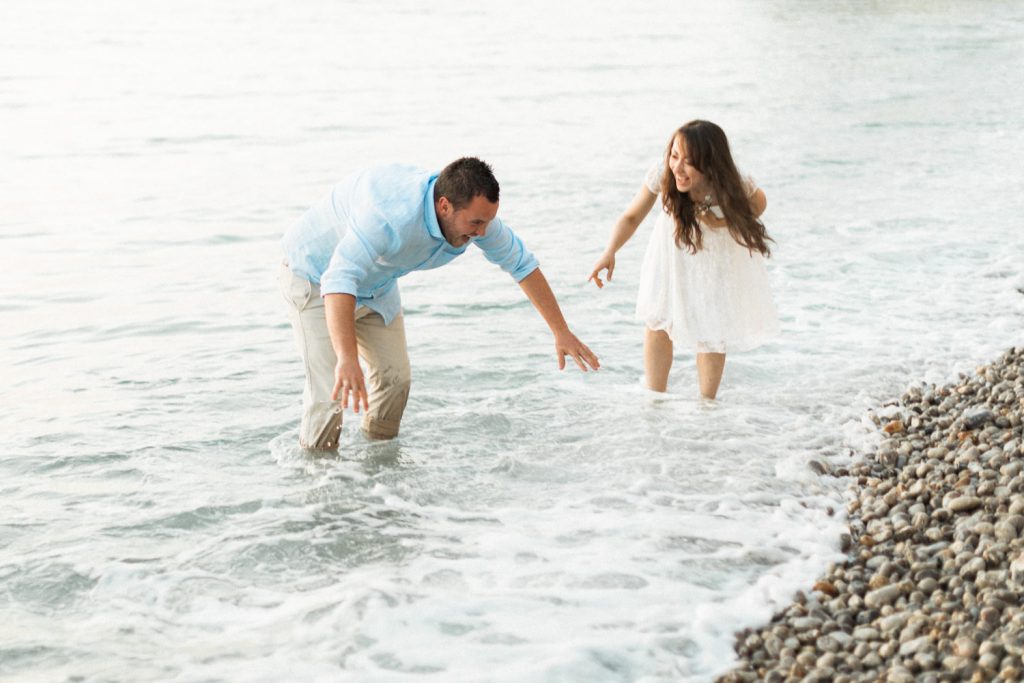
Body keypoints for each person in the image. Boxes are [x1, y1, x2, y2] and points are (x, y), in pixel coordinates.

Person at [280, 157, 599, 449]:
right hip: (315, 277)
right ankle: (321, 489)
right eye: (476, 224)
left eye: (487, 223)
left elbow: (522, 264)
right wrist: (347, 357)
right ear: (444, 206)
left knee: (395, 380)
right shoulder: (389, 216)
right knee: (328, 396)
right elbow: (339, 280)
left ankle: (375, 469)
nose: (482, 233)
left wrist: (561, 332)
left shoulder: (476, 219)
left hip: (377, 284)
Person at [588, 120, 778, 399]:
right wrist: (610, 250)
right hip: (670, 256)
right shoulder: (664, 174)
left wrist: (720, 221)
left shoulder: (732, 180)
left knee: (712, 325)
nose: (677, 167)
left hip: (714, 258)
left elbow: (758, 205)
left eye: (688, 162)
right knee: (658, 319)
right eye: (674, 155)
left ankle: (708, 405)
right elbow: (631, 216)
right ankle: (654, 399)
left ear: (711, 164)